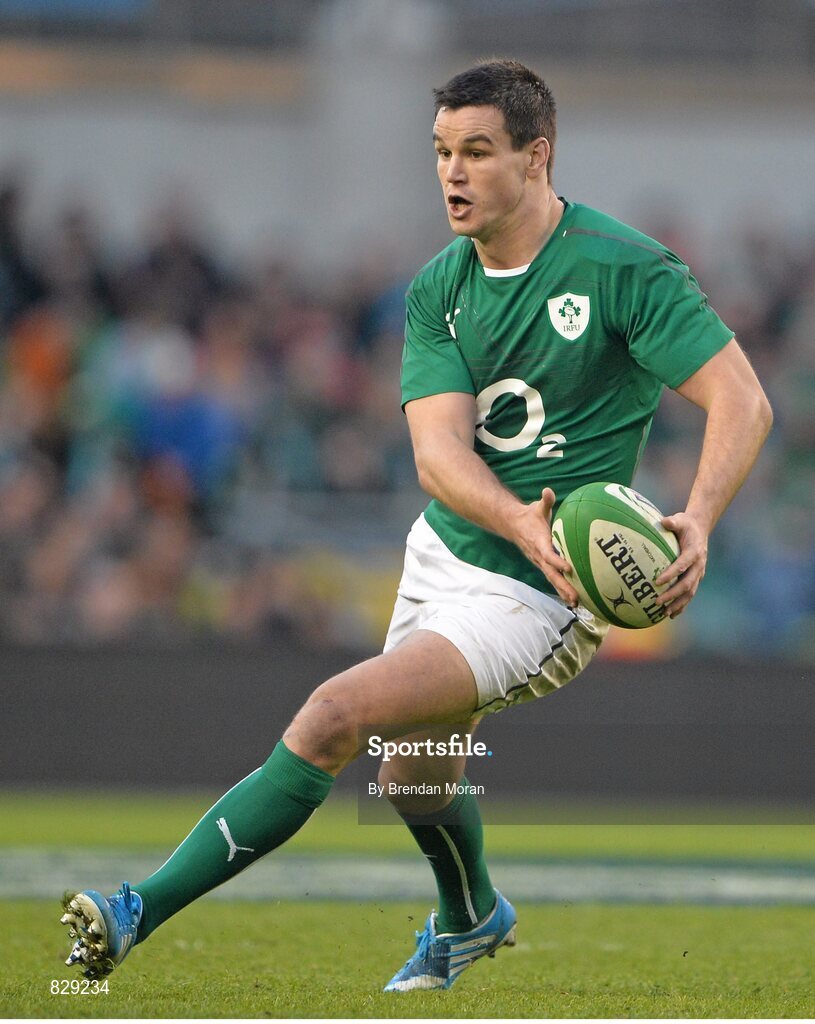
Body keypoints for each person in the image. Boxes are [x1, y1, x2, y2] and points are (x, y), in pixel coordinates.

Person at [60, 59, 772, 992]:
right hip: (451, 550)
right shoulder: (439, 284)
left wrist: (700, 519)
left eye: (477, 151)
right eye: (441, 152)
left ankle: (131, 912)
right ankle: (473, 914)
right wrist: (516, 516)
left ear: (536, 157)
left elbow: (742, 399)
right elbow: (438, 456)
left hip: (541, 589)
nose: (453, 173)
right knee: (411, 783)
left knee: (332, 716)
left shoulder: (625, 270)